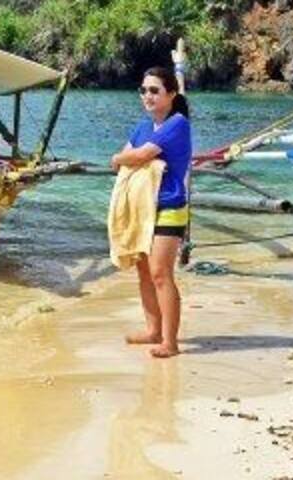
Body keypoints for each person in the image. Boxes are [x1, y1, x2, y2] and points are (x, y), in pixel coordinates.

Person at [109, 66, 193, 359]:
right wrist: (123, 158)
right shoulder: (144, 126)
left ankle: (170, 342)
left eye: (155, 90)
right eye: (143, 90)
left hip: (169, 207)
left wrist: (119, 158)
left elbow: (137, 155)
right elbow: (127, 156)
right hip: (144, 209)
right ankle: (153, 331)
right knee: (143, 272)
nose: (148, 95)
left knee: (160, 273)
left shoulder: (178, 123)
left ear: (171, 94)